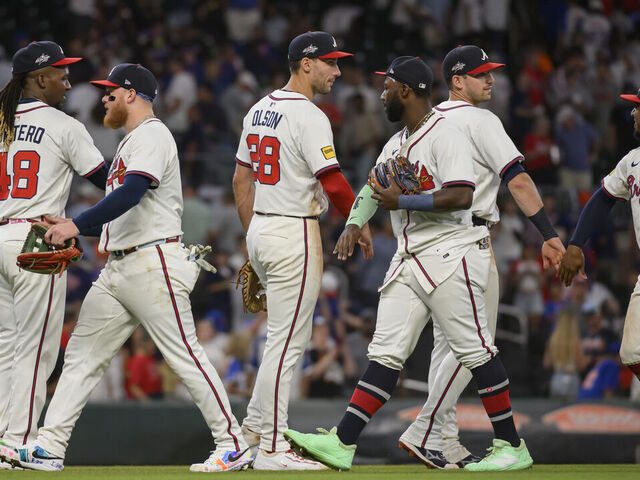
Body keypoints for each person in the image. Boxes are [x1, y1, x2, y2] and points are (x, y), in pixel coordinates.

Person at [285, 56, 533, 472]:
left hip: (454, 251)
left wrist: (401, 201)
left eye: (386, 88)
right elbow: (372, 186)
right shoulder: (397, 141)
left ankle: (511, 445)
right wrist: (354, 222)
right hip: (410, 255)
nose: (381, 95)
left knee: (475, 350)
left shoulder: (447, 133)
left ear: (404, 90)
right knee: (385, 352)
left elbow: (460, 195)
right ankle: (343, 442)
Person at [0, 63, 252, 473]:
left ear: (132, 94)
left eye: (111, 91)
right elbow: (117, 212)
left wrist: (75, 223)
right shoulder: (130, 143)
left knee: (185, 355)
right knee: (81, 356)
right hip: (119, 267)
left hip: (153, 264)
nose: (103, 97)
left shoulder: (153, 134)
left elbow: (133, 193)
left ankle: (233, 442)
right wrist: (68, 230)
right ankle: (49, 444)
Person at [398, 45, 564, 469]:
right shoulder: (480, 119)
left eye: (490, 72)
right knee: (474, 346)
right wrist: (548, 234)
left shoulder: (426, 121)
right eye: (480, 74)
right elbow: (520, 182)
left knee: (447, 348)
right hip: (467, 238)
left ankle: (444, 440)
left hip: (421, 241)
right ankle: (426, 430)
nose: (490, 80)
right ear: (457, 80)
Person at [232, 31, 372, 470]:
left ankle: (253, 431)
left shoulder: (258, 108)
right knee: (288, 344)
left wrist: (255, 239)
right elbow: (332, 181)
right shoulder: (309, 115)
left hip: (262, 228)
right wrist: (358, 220)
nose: (338, 70)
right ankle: (273, 447)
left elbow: (241, 181)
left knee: (280, 338)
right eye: (330, 62)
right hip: (294, 231)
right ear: (306, 64)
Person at [0, 41, 107, 470]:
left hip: (1, 235)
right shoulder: (62, 124)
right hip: (36, 239)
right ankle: (17, 442)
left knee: (7, 348)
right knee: (37, 350)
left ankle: (2, 439)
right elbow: (107, 181)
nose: (68, 80)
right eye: (60, 73)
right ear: (38, 79)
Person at [559, 87, 640, 383]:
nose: (633, 112)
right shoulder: (632, 161)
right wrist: (576, 244)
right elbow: (603, 198)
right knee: (632, 353)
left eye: (638, 107)